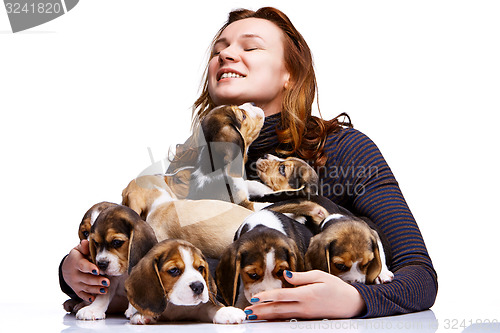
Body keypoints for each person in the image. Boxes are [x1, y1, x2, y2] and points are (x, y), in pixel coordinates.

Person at [59, 7, 437, 320]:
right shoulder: (189, 167)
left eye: (251, 47)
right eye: (218, 48)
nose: (225, 54)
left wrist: (356, 301)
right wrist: (72, 272)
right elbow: (145, 260)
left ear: (291, 74)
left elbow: (419, 275)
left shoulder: (343, 150)